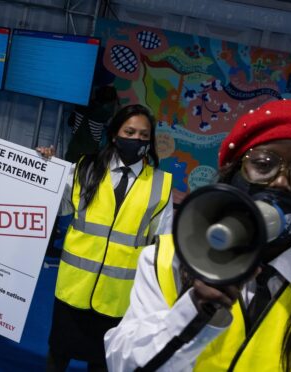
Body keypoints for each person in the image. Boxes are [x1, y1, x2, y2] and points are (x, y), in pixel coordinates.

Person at [105, 99, 291, 371]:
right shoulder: (166, 261)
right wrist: (192, 313)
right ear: (235, 173)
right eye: (263, 164)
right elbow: (123, 365)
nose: (280, 181)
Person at [37, 104, 174, 371]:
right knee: (58, 355)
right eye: (130, 132)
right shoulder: (85, 168)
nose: (136, 140)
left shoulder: (161, 185)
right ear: (114, 134)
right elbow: (56, 206)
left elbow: (162, 247)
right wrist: (44, 169)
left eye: (144, 136)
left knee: (102, 363)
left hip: (117, 297)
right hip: (73, 288)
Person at [64, 85, 119, 163]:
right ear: (111, 101)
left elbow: (70, 122)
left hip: (75, 144)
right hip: (91, 148)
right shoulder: (104, 114)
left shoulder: (81, 105)